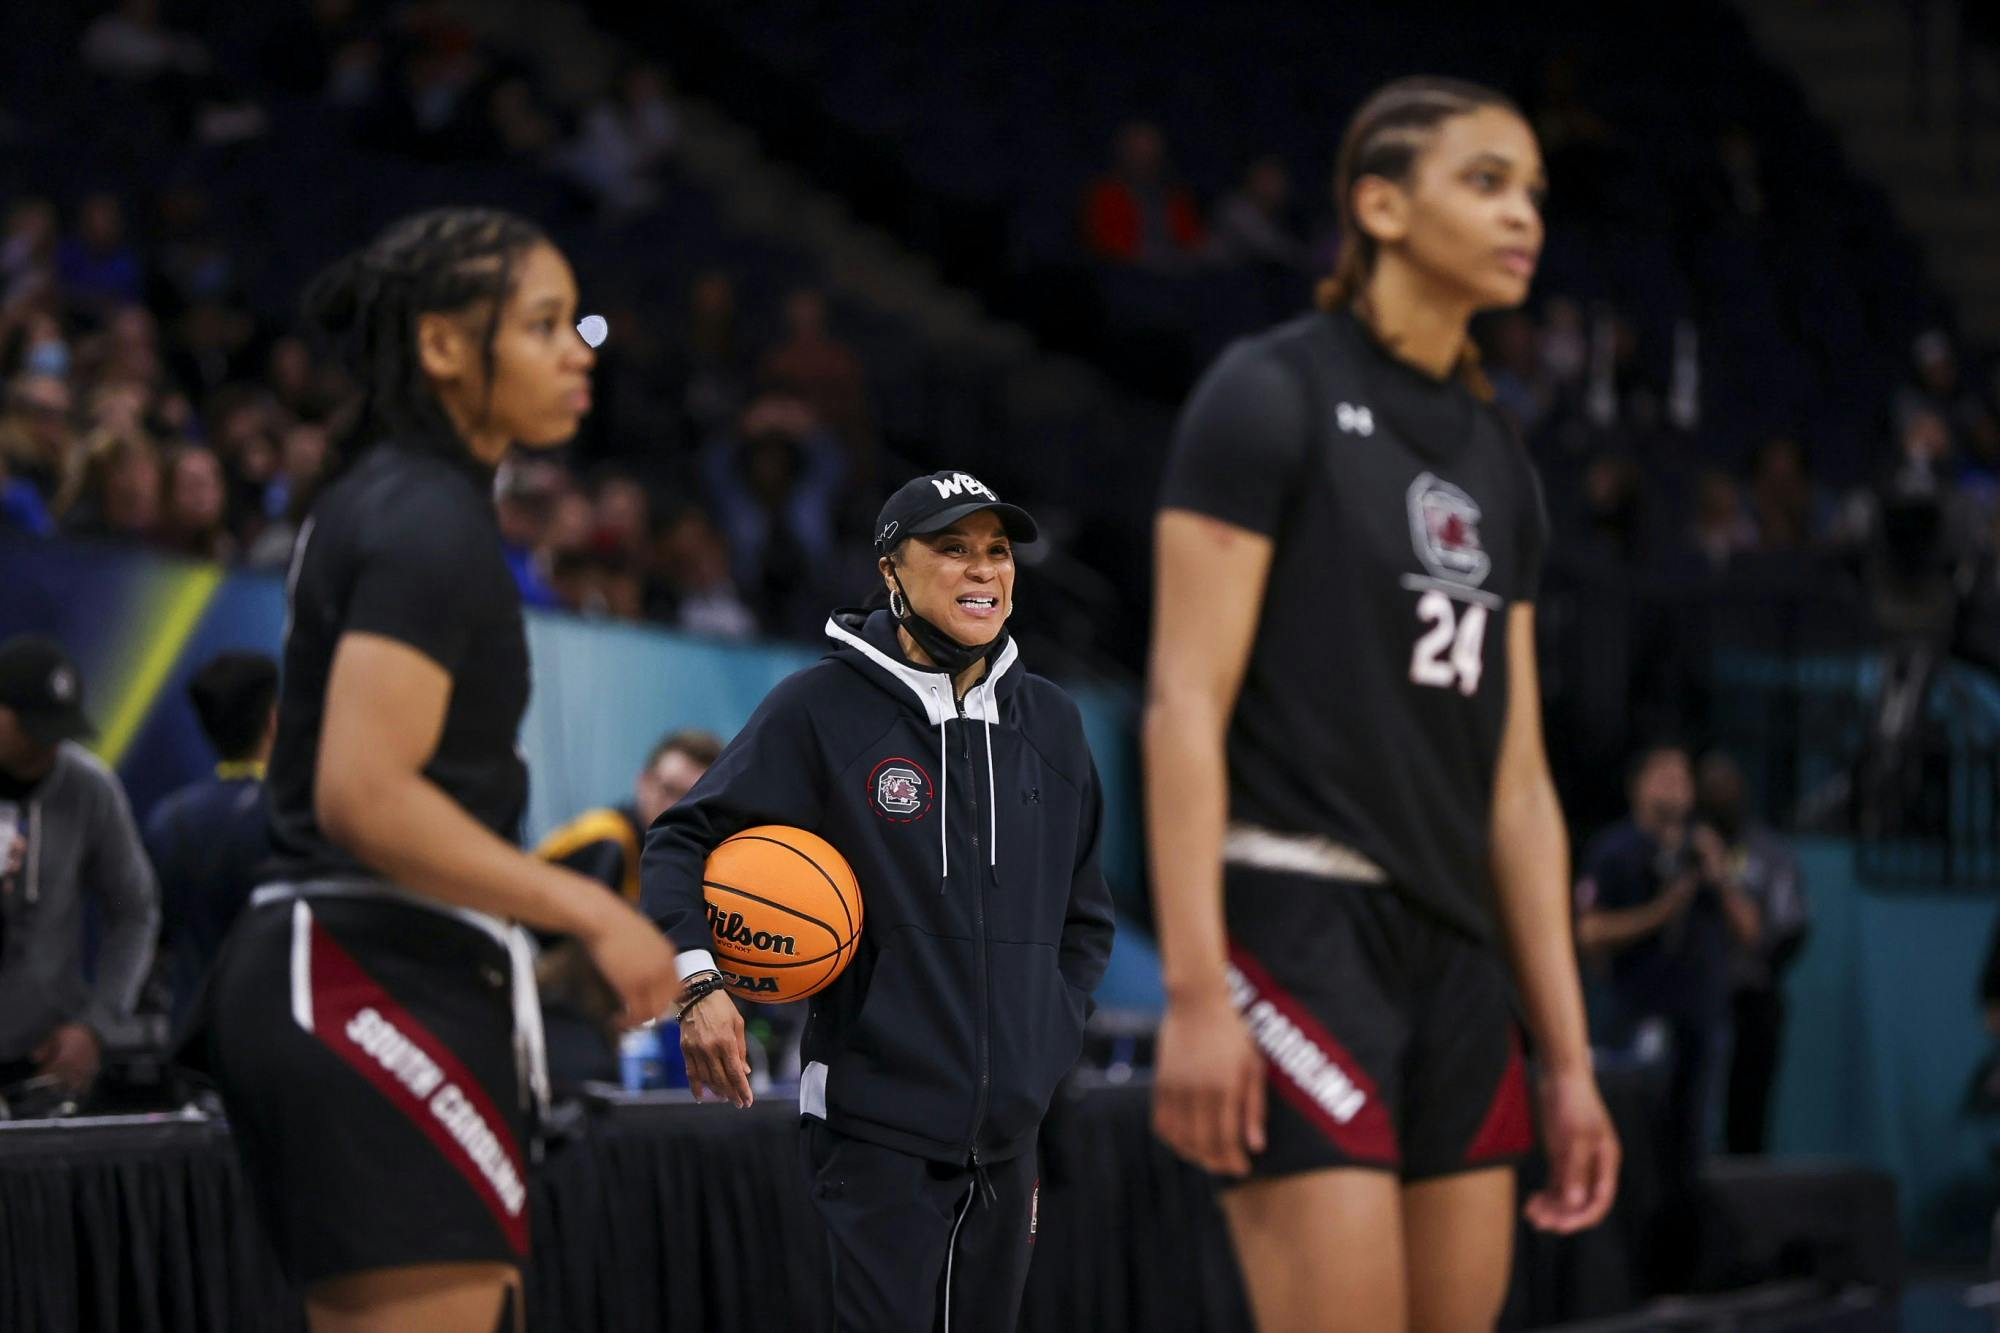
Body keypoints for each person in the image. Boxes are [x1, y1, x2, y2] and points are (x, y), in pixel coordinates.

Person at [1144, 77, 1619, 1332]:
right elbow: (1181, 703)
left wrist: (1566, 1060)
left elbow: (1517, 783)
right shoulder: (1266, 392)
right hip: (1299, 921)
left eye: (1531, 191)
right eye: (1484, 182)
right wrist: (1193, 992)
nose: (1522, 214)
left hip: (1455, 952)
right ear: (1379, 205)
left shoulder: (1496, 455)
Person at [184, 208, 682, 1333]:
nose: (579, 350)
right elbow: (365, 792)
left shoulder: (408, 498)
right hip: (363, 963)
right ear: (445, 345)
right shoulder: (422, 515)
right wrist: (591, 913)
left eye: (578, 323)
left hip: (398, 964)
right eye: (544, 324)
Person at [642, 468, 1116, 1333]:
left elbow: (1085, 916)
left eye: (999, 552)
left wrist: (1050, 1033)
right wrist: (699, 984)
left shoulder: (1052, 723)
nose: (984, 571)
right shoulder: (820, 708)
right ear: (892, 569)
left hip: (1011, 1140)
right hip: (874, 1131)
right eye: (953, 549)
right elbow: (678, 839)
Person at [1575, 744, 1756, 1286]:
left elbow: (1752, 932)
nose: (1677, 786)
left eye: (1683, 776)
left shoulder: (1708, 853)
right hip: (1631, 1020)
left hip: (1698, 1022)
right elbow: (1587, 931)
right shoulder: (1614, 851)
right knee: (1634, 1150)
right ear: (1638, 786)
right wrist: (1660, 911)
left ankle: (1684, 1275)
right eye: (1664, 775)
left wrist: (1718, 875)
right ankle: (1621, 1274)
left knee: (1691, 1152)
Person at [0, 634, 159, 1104]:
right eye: (33, 729)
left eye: (58, 731)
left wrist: (97, 1025)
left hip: (43, 1062)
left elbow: (135, 909)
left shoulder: (88, 789)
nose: (47, 747)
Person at [533, 729, 724, 1085]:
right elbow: (563, 946)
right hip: (550, 999)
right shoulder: (606, 840)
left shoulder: (692, 865)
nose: (677, 807)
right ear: (644, 783)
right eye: (669, 791)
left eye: (694, 797)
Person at [143, 651, 277, 1026]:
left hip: (192, 1035)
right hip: (272, 1038)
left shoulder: (169, 819)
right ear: (274, 719)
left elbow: (154, 938)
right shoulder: (292, 818)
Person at [1694, 751, 1806, 1155]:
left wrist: (1720, 874)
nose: (1718, 793)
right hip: (1685, 999)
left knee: (1747, 1117)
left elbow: (1772, 933)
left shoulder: (1768, 852)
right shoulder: (1681, 846)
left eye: (1727, 784)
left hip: (1749, 997)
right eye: (1709, 785)